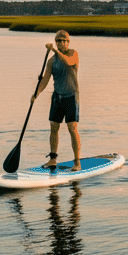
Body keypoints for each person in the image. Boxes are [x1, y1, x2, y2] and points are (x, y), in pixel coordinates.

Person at [32, 30, 80, 171]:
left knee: (72, 128)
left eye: (63, 41)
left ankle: (77, 162)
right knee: (54, 127)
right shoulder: (51, 61)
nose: (60, 43)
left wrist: (53, 50)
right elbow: (45, 79)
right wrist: (36, 94)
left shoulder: (73, 54)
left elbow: (68, 62)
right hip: (57, 98)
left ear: (68, 42)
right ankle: (53, 159)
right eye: (58, 41)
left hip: (71, 96)